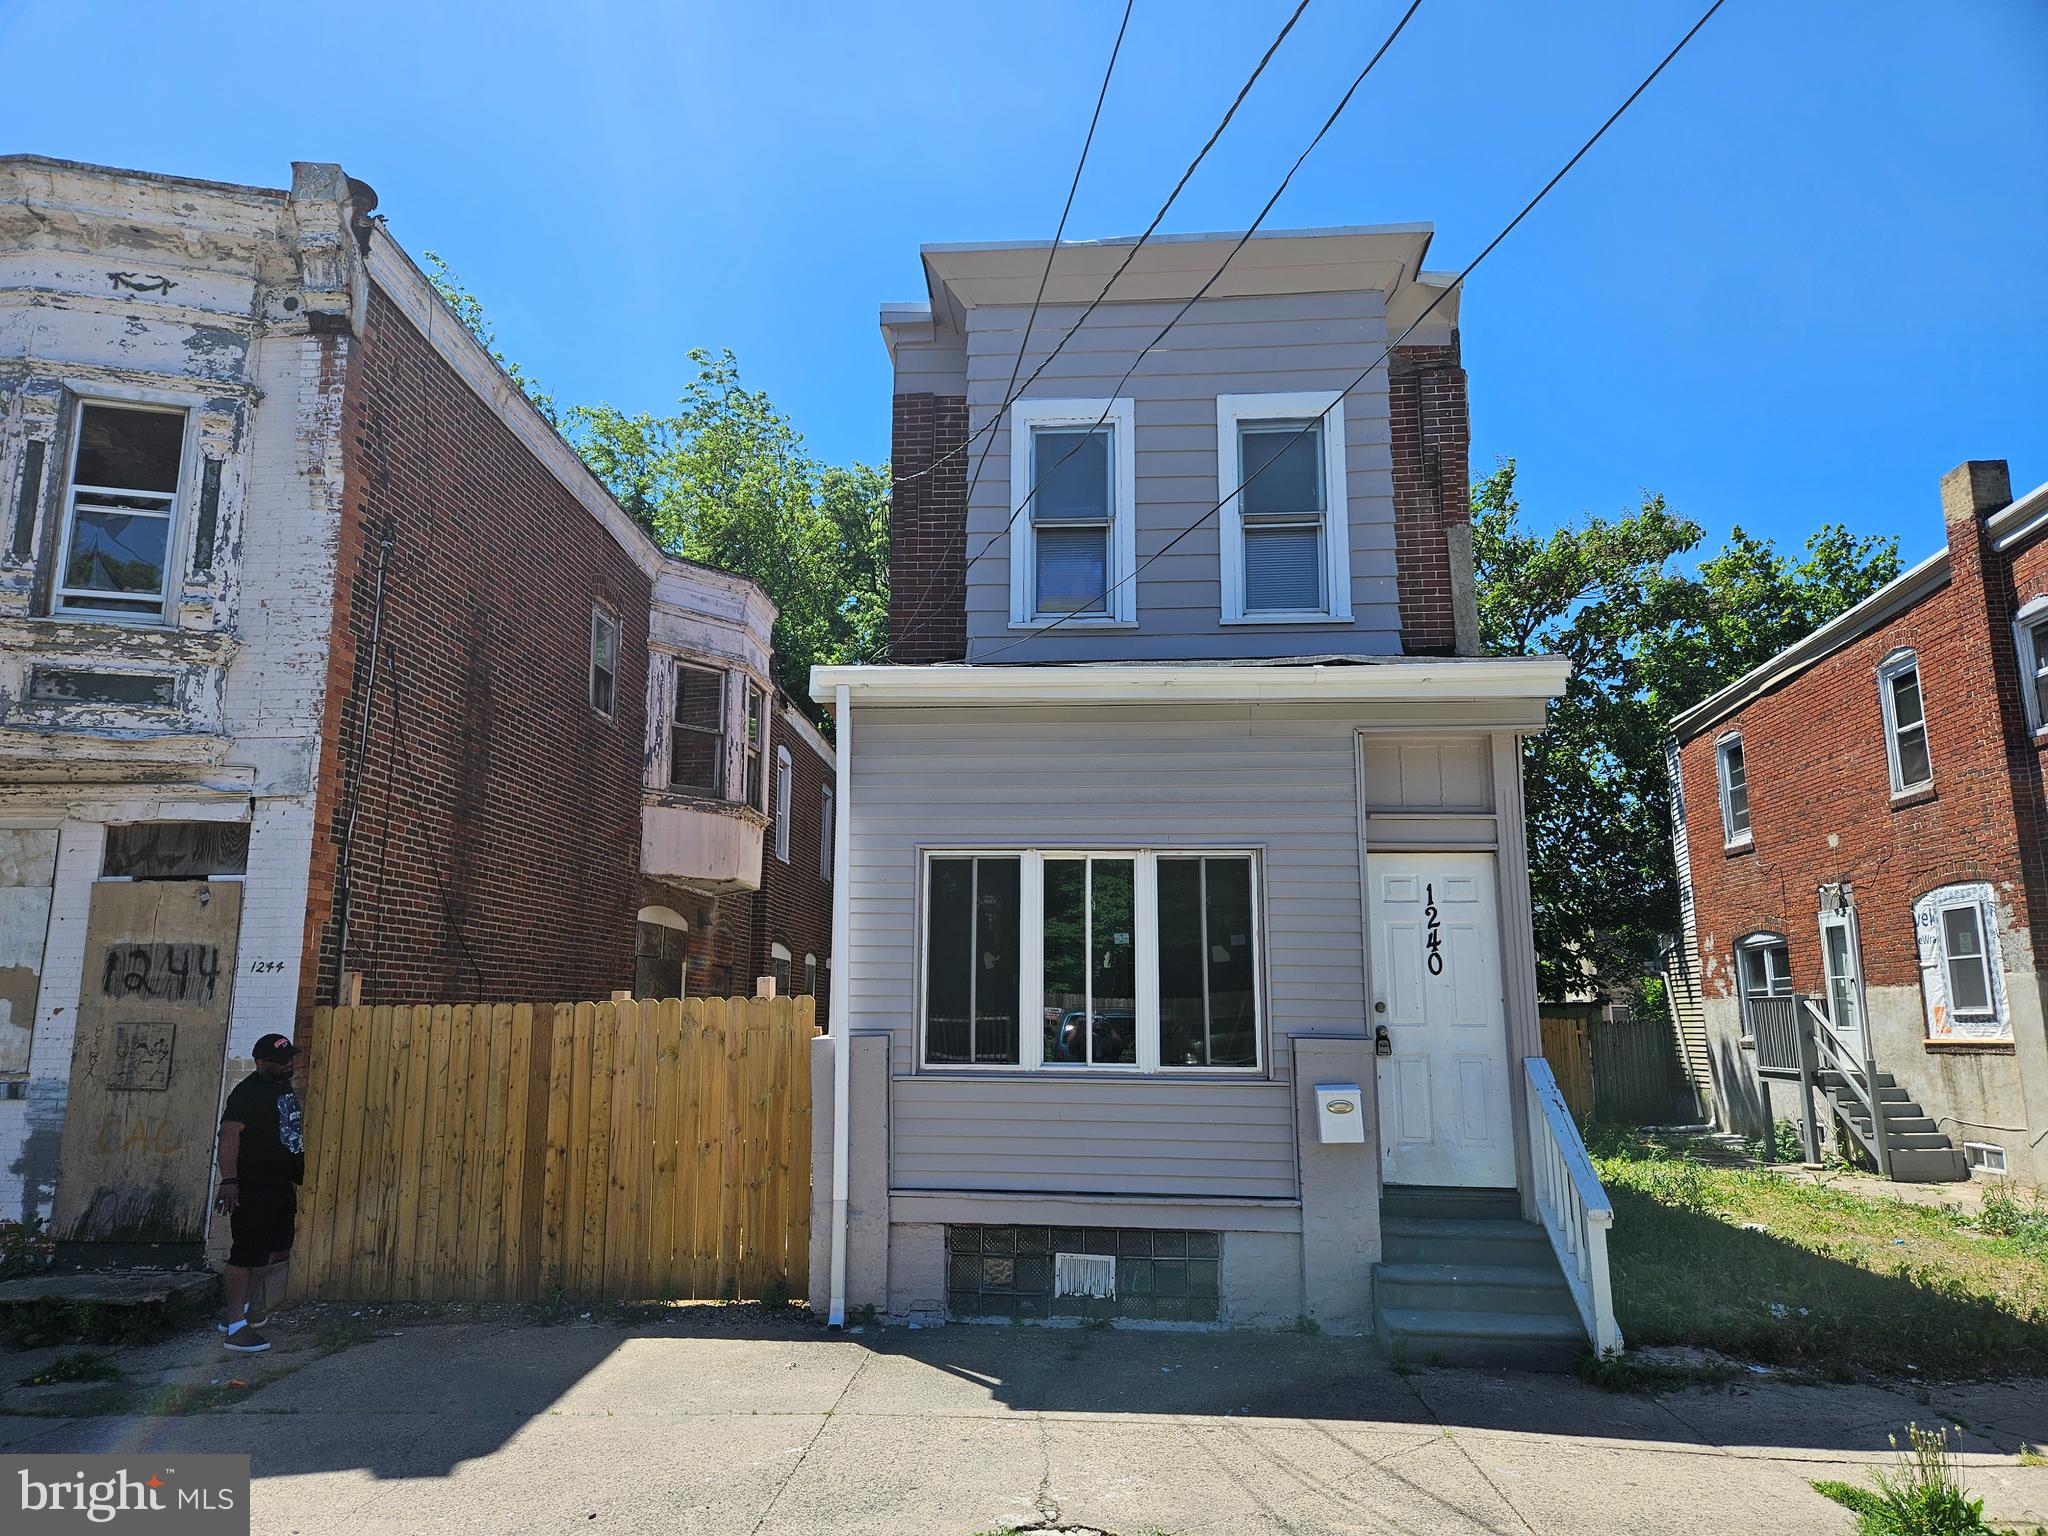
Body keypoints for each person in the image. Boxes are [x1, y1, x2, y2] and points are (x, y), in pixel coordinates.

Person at [214, 1032, 305, 1353]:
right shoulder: (247, 1093)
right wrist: (229, 1181)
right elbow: (228, 1137)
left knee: (278, 1249)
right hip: (252, 1186)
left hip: (280, 1183)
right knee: (247, 1252)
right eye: (282, 1061)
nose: (289, 1064)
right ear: (261, 1062)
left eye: (290, 1058)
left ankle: (249, 1306)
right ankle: (235, 1325)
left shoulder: (280, 1085)